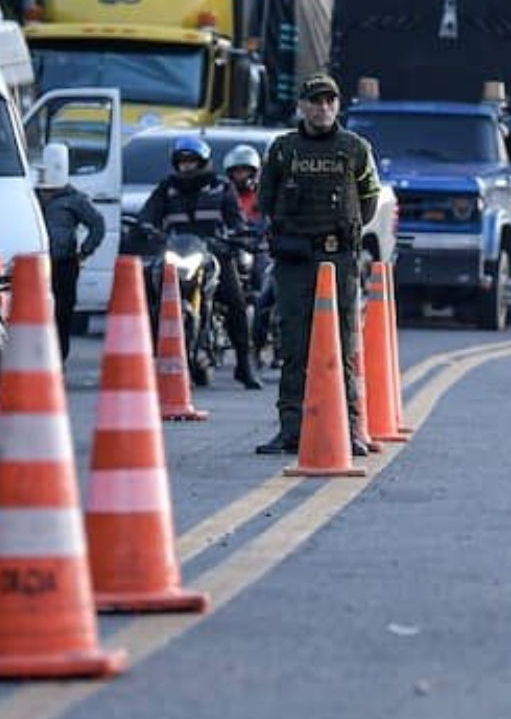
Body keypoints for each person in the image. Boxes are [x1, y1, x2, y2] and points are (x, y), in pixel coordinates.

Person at [255, 74, 381, 456]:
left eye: (329, 101)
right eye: (315, 101)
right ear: (302, 106)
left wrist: (343, 234)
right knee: (293, 346)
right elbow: (265, 199)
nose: (322, 108)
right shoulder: (283, 150)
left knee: (342, 346)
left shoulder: (355, 148)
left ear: (338, 105)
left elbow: (369, 200)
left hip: (338, 259)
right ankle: (290, 430)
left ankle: (350, 429)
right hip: (294, 261)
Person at [139, 136, 262, 390]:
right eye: (182, 162)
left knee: (236, 302)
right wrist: (145, 229)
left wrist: (238, 234)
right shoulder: (166, 188)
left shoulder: (221, 187)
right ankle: (147, 355)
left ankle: (244, 365)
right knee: (147, 288)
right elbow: (148, 215)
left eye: (192, 162)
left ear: (203, 162)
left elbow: (236, 219)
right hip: (175, 253)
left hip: (212, 253)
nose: (187, 167)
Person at [34, 142, 105, 361]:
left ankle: (59, 358)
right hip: (36, 265)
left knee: (62, 313)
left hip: (63, 263)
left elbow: (97, 224)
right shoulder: (31, 195)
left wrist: (85, 251)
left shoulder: (74, 199)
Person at [222, 144, 276, 357]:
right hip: (233, 248)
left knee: (264, 290)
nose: (240, 176)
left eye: (244, 171)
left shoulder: (264, 196)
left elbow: (271, 218)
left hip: (258, 249)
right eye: (236, 171)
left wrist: (264, 233)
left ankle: (264, 337)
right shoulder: (224, 194)